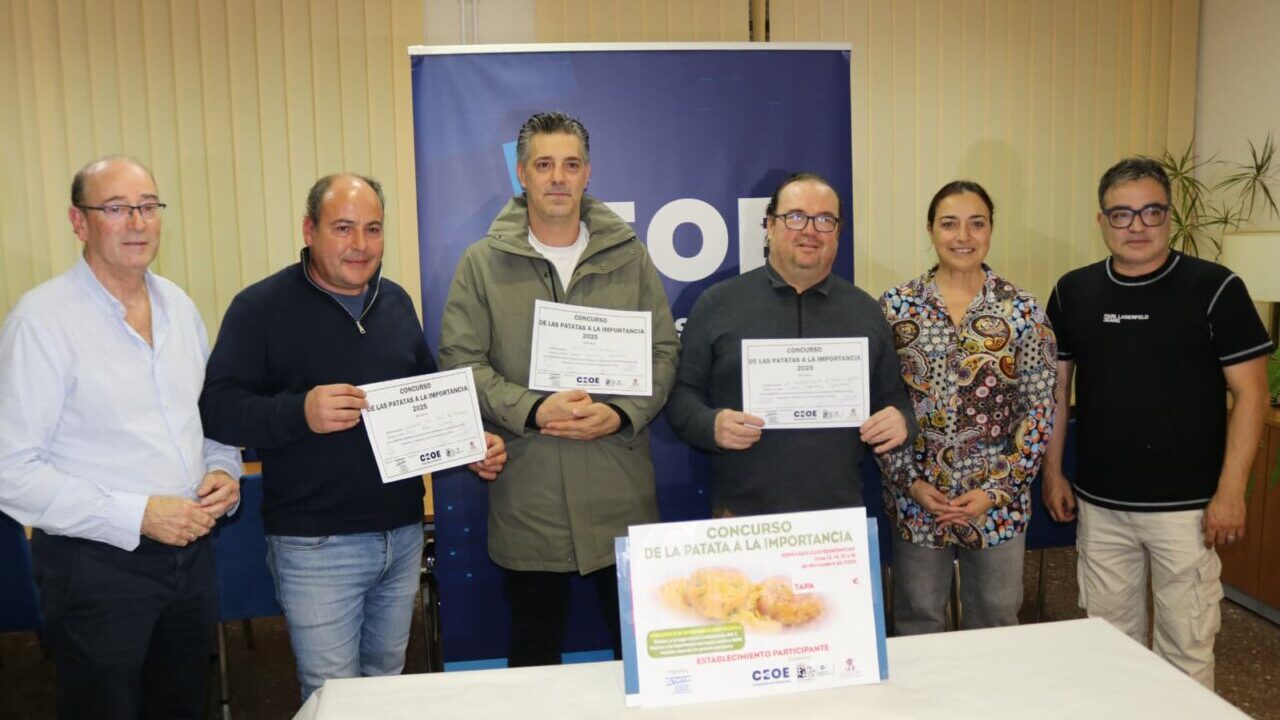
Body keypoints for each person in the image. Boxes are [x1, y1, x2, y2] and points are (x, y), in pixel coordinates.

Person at [199, 173, 507, 701]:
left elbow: (426, 402)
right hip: (317, 545)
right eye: (343, 228)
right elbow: (218, 412)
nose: (360, 244)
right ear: (309, 230)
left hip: (402, 535)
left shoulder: (396, 303)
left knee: (384, 689)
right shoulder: (259, 308)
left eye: (373, 228)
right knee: (333, 696)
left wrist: (470, 443)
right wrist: (301, 411)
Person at [0, 156, 242, 719]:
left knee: (182, 706)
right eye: (115, 209)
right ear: (78, 222)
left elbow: (206, 418)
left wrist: (223, 468)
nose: (137, 222)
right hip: (95, 567)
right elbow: (10, 469)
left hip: (190, 558)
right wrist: (137, 516)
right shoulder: (41, 321)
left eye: (148, 206)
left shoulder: (179, 306)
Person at [438, 111, 679, 667]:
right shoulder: (482, 264)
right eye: (544, 165)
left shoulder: (631, 256)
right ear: (522, 173)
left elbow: (665, 352)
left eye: (571, 165)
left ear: (588, 174)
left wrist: (621, 413)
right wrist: (533, 409)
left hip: (619, 496)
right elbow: (461, 363)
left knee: (643, 662)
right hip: (531, 498)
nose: (558, 178)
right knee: (533, 661)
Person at [1043, 157, 1272, 688]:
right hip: (1101, 505)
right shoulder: (1073, 292)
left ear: (1170, 215)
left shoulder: (1215, 288)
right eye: (1121, 214)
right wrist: (1053, 473)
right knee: (1108, 648)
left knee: (1186, 648)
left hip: (1189, 511)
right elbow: (1057, 392)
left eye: (1151, 211)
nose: (1137, 226)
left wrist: (1231, 492)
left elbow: (1252, 394)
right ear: (1101, 221)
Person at [666, 171, 915, 516]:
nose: (810, 230)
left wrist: (901, 422)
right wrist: (710, 425)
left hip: (839, 516)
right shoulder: (717, 303)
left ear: (838, 232)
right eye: (796, 216)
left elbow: (895, 401)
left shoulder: (866, 311)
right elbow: (681, 397)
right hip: (742, 516)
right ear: (770, 225)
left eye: (825, 220)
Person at [878, 181, 1057, 634]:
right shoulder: (896, 308)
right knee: (918, 619)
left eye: (976, 224)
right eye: (949, 224)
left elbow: (1039, 412)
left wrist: (996, 491)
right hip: (919, 500)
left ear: (991, 229)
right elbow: (880, 406)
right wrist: (911, 483)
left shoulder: (1023, 311)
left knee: (996, 619)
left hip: (997, 503)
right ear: (930, 230)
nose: (963, 236)